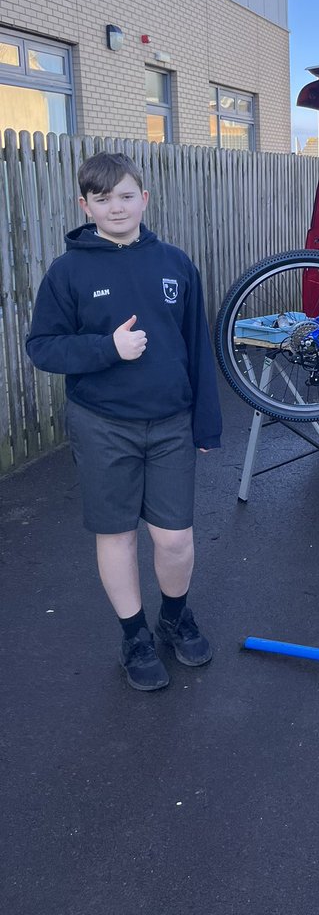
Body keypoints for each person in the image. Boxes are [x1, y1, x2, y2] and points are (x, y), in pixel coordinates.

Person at [26, 152, 222, 692]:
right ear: (84, 205)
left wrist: (206, 425)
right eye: (103, 198)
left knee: (175, 538)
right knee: (116, 536)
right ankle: (134, 634)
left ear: (145, 200)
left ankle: (174, 616)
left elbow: (197, 348)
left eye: (126, 195)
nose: (116, 207)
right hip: (102, 422)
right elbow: (42, 348)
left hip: (169, 424)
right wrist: (106, 348)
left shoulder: (176, 264)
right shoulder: (68, 271)